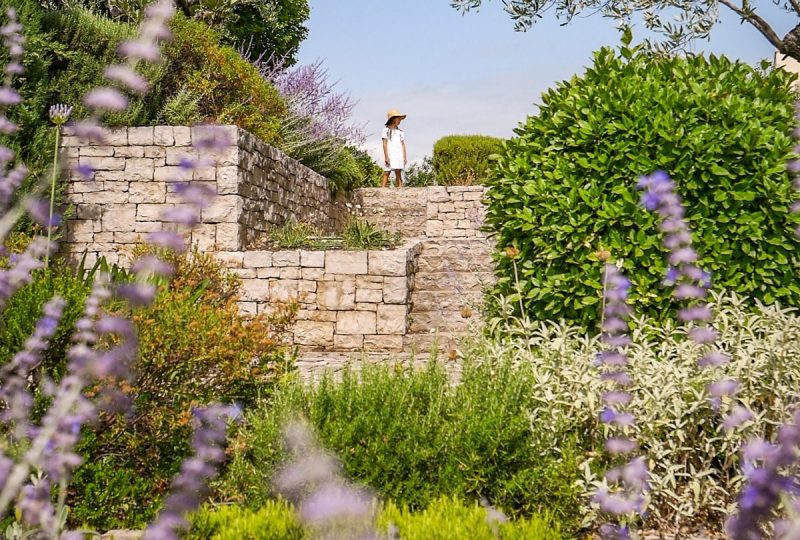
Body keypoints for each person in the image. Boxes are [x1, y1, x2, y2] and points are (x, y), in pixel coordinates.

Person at [381, 109, 407, 188]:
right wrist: (386, 156)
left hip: (398, 154)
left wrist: (404, 156)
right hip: (390, 153)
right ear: (393, 119)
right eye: (398, 118)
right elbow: (384, 143)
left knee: (398, 171)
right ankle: (382, 189)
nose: (399, 120)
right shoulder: (385, 130)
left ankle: (400, 188)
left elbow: (403, 144)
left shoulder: (400, 132)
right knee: (387, 171)